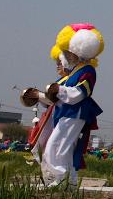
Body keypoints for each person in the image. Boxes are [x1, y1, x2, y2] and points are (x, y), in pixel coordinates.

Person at [41, 23, 105, 187]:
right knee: (63, 147)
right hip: (69, 112)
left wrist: (59, 89)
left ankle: (61, 179)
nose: (66, 55)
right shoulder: (79, 69)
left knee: (57, 146)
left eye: (68, 51)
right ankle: (69, 181)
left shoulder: (88, 70)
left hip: (75, 113)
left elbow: (80, 93)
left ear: (78, 50)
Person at [29, 44, 68, 165]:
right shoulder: (59, 81)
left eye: (60, 63)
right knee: (46, 140)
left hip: (61, 117)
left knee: (53, 142)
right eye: (57, 63)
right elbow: (49, 103)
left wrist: (39, 95)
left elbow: (54, 100)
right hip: (51, 115)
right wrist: (39, 98)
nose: (57, 66)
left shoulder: (68, 81)